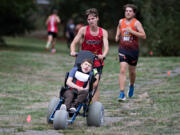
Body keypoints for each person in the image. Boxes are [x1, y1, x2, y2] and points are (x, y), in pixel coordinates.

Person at [70, 8, 109, 102]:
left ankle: (93, 105)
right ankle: (75, 100)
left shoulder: (103, 32)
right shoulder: (83, 30)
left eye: (93, 18)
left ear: (97, 18)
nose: (91, 21)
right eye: (89, 19)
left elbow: (106, 47)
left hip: (96, 62)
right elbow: (73, 43)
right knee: (78, 80)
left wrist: (103, 55)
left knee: (95, 83)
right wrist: (72, 51)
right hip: (83, 61)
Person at [115, 4, 146, 101]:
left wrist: (132, 31)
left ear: (134, 13)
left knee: (132, 72)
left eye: (130, 11)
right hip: (123, 49)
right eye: (126, 11)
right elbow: (118, 27)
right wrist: (117, 35)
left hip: (133, 51)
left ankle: (132, 85)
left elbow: (143, 35)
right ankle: (121, 93)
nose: (127, 12)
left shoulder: (136, 23)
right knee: (123, 70)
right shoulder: (121, 21)